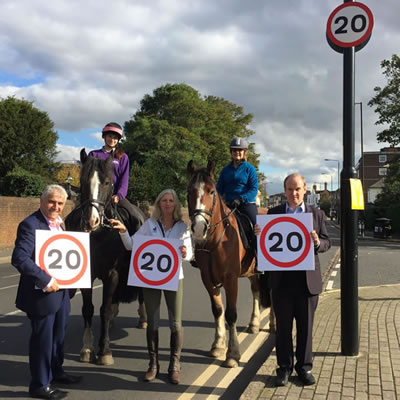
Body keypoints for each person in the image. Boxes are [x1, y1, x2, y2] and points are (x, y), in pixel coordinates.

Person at [110, 189, 193, 385]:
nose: (167, 203)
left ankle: (174, 365)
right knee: (153, 320)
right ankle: (153, 364)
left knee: (175, 322)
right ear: (158, 203)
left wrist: (184, 252)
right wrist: (123, 231)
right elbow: (131, 245)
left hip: (174, 278)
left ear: (175, 204)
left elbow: (189, 254)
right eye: (163, 200)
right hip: (151, 279)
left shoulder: (182, 227)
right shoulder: (149, 225)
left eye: (171, 200)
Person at [255, 173, 330, 387]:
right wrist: (259, 233)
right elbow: (266, 243)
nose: (294, 193)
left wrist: (316, 243)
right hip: (282, 282)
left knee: (305, 329)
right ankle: (284, 369)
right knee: (283, 329)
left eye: (297, 189)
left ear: (305, 189)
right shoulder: (274, 213)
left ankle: (304, 368)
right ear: (285, 191)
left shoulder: (317, 214)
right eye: (290, 189)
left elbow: (327, 242)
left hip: (307, 283)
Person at [11, 185, 82, 400]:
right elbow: (20, 258)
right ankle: (40, 384)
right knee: (43, 340)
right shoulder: (30, 225)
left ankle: (56, 372)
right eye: (52, 202)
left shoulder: (60, 223)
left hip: (61, 293)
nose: (56, 207)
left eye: (60, 203)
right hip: (41, 293)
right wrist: (46, 279)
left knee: (59, 337)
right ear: (42, 202)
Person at [216, 136, 258, 226]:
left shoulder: (250, 169)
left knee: (256, 226)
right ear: (231, 152)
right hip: (229, 204)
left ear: (245, 152)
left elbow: (254, 189)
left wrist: (240, 198)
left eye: (240, 150)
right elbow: (219, 189)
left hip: (246, 204)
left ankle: (255, 240)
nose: (237, 152)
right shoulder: (225, 170)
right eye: (234, 150)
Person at [88, 122, 130, 206]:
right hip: (96, 195)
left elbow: (124, 178)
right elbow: (89, 177)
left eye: (115, 138)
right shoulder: (93, 154)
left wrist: (119, 195)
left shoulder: (123, 157)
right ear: (104, 136)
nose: (112, 140)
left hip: (115, 196)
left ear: (118, 140)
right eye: (110, 136)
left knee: (135, 216)